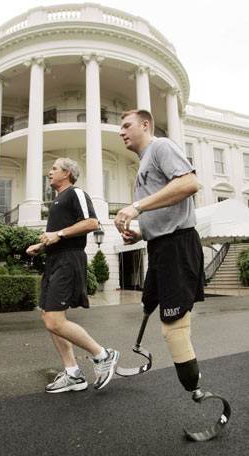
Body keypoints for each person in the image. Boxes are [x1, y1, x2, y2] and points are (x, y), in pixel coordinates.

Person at [116, 109, 204, 396]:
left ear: (145, 125)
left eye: (127, 125)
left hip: (177, 244)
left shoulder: (161, 147)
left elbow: (189, 183)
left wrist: (137, 207)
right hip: (159, 246)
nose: (121, 132)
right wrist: (139, 233)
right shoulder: (142, 166)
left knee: (173, 327)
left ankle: (198, 392)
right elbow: (164, 208)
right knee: (150, 306)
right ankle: (193, 383)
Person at [27, 158, 119, 394]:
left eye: (54, 169)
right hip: (55, 260)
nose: (50, 172)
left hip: (69, 261)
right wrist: (43, 246)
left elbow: (92, 222)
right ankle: (73, 374)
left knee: (54, 321)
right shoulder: (57, 200)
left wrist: (57, 233)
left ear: (66, 173)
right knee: (49, 318)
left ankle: (103, 355)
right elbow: (61, 236)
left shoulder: (75, 193)